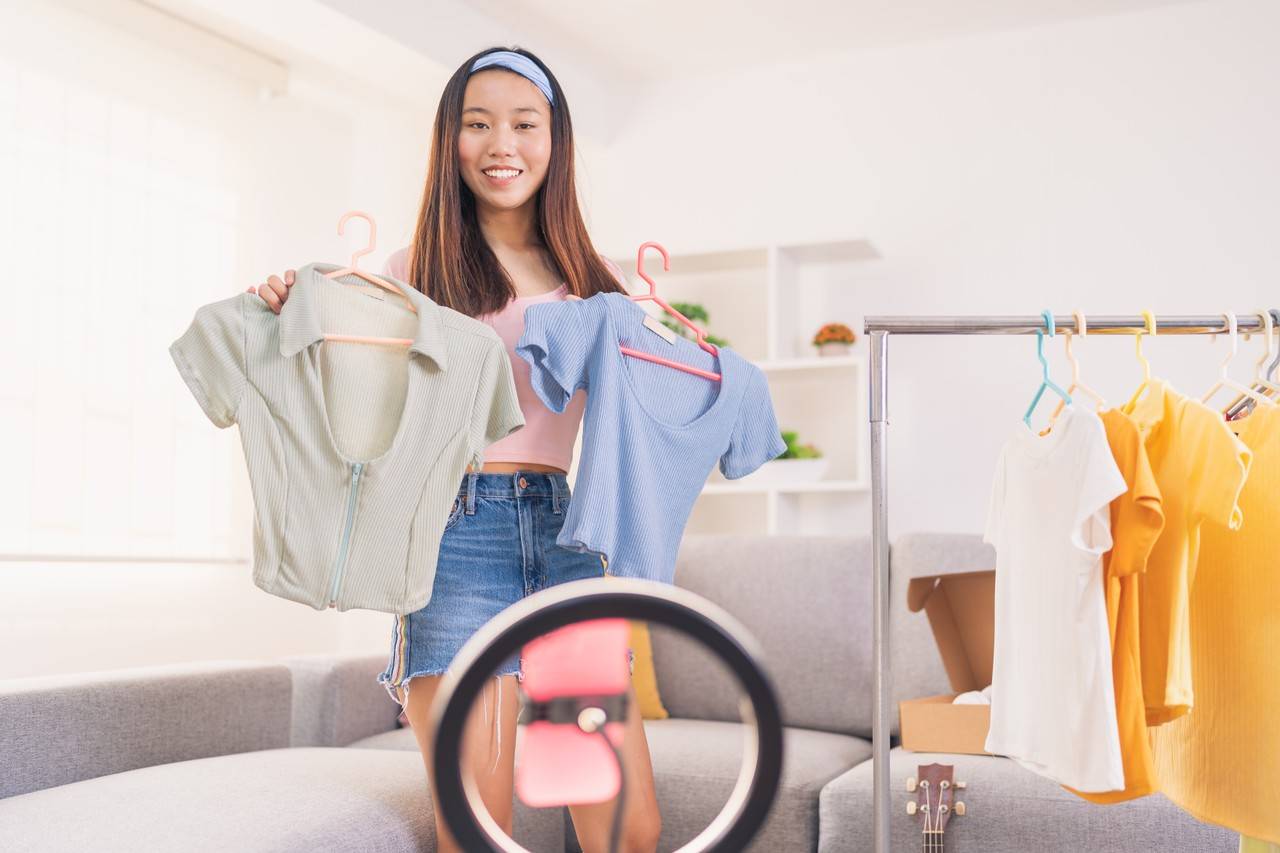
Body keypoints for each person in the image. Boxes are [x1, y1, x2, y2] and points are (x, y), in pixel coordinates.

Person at [250, 47, 661, 853]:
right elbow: (348, 398)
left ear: (555, 139)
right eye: (478, 124)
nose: (501, 143)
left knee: (626, 830)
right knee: (482, 827)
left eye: (523, 123)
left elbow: (637, 430)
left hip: (565, 537)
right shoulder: (414, 272)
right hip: (455, 537)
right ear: (451, 141)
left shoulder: (600, 281)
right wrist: (295, 313)